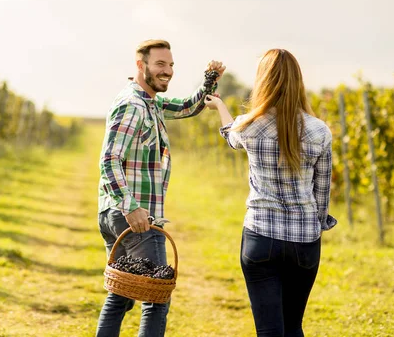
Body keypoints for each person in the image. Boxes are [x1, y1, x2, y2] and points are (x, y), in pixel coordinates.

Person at [204, 48, 337, 337]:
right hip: (304, 241)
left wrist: (220, 106)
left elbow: (230, 134)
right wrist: (320, 222)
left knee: (269, 331)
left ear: (263, 81)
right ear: (297, 81)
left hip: (260, 237)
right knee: (293, 327)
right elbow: (322, 194)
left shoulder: (248, 125)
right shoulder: (319, 131)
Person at [96, 39, 225, 337]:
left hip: (117, 212)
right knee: (156, 297)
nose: (167, 71)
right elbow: (109, 159)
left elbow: (187, 107)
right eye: (160, 65)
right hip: (134, 215)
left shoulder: (150, 101)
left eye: (170, 65)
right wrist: (131, 208)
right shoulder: (132, 105)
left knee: (122, 295)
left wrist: (209, 80)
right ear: (141, 66)